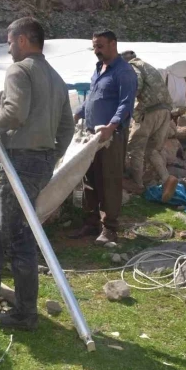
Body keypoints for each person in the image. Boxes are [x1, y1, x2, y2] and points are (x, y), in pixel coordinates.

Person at [0, 17, 74, 331]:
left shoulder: (20, 70)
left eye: (11, 41)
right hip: (38, 163)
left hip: (20, 162)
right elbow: (66, 127)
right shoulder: (55, 78)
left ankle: (26, 314)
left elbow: (13, 113)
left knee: (17, 235)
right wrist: (51, 156)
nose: (9, 48)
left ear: (24, 40)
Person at [71, 30, 137, 244]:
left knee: (109, 179)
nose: (96, 51)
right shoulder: (99, 69)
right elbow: (92, 99)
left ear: (113, 44)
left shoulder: (124, 72)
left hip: (111, 136)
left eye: (100, 46)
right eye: (94, 47)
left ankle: (110, 228)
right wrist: (77, 113)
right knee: (89, 178)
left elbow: (126, 104)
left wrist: (111, 126)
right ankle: (91, 223)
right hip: (91, 136)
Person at [121, 51, 178, 201]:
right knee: (152, 149)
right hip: (165, 110)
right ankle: (166, 179)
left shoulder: (133, 66)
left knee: (135, 147)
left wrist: (124, 103)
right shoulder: (149, 66)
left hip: (149, 111)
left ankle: (137, 184)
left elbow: (136, 84)